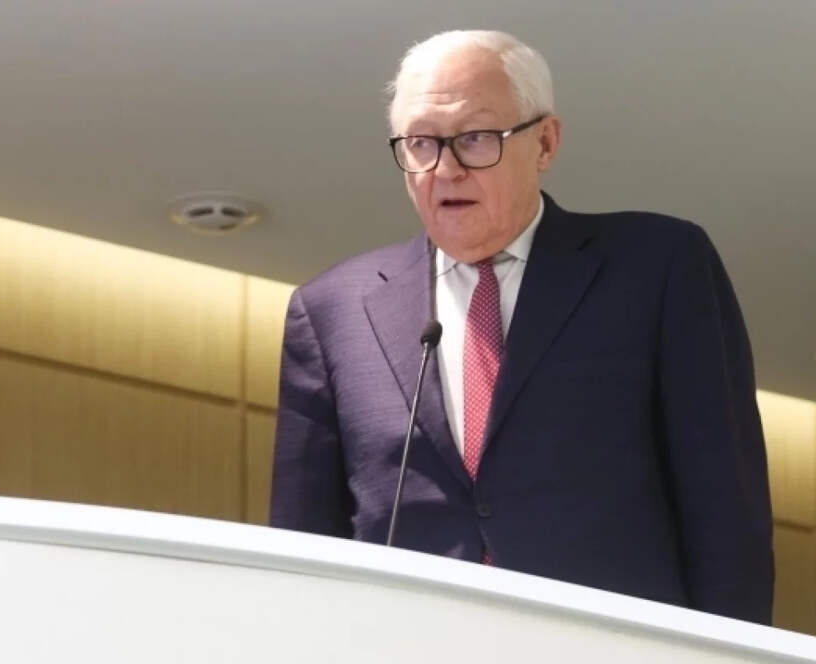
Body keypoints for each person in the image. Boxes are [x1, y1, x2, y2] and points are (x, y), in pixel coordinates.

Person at [271, 29, 774, 624]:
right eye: (421, 143)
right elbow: (302, 548)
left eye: (475, 138)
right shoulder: (333, 309)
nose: (446, 169)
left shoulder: (656, 266)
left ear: (546, 142)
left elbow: (725, 507)